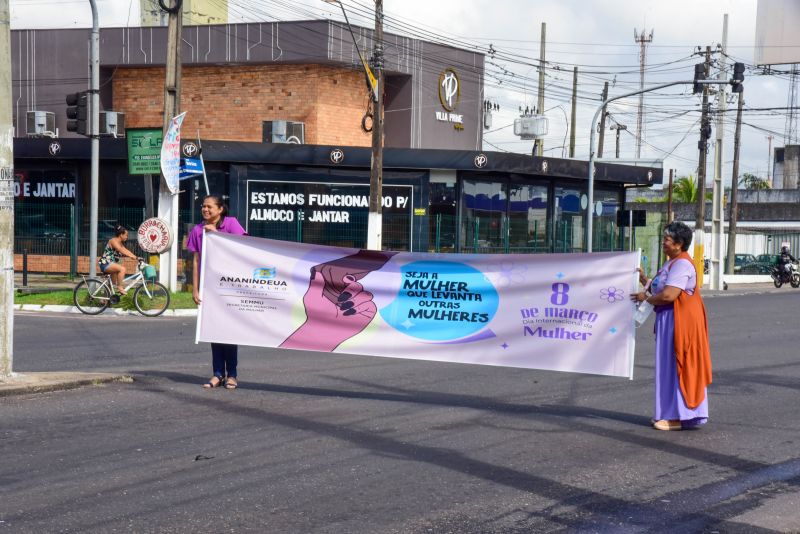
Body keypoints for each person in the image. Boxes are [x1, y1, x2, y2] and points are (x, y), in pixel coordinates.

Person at [631, 221, 712, 431]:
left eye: (667, 239)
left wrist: (645, 297)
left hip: (681, 323)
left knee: (679, 367)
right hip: (670, 321)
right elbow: (660, 287)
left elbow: (668, 295)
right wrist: (644, 280)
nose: (663, 242)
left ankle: (678, 417)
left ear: (679, 243)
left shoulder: (683, 264)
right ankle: (668, 413)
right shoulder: (670, 263)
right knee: (668, 368)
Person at [186, 195, 246, 390]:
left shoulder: (231, 224)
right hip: (209, 287)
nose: (205, 210)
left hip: (230, 286)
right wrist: (195, 288)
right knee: (214, 331)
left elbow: (244, 247)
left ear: (220, 209)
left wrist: (217, 235)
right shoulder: (197, 230)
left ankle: (233, 375)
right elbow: (196, 261)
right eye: (203, 206)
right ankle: (217, 374)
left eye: (209, 207)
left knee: (229, 332)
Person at [98, 225, 139, 294]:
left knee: (112, 284)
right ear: (121, 235)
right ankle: (120, 286)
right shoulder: (113, 241)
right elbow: (120, 249)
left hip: (111, 263)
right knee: (122, 269)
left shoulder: (120, 243)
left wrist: (135, 257)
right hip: (106, 263)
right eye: (126, 235)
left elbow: (125, 250)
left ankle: (103, 300)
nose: (127, 237)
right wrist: (131, 256)